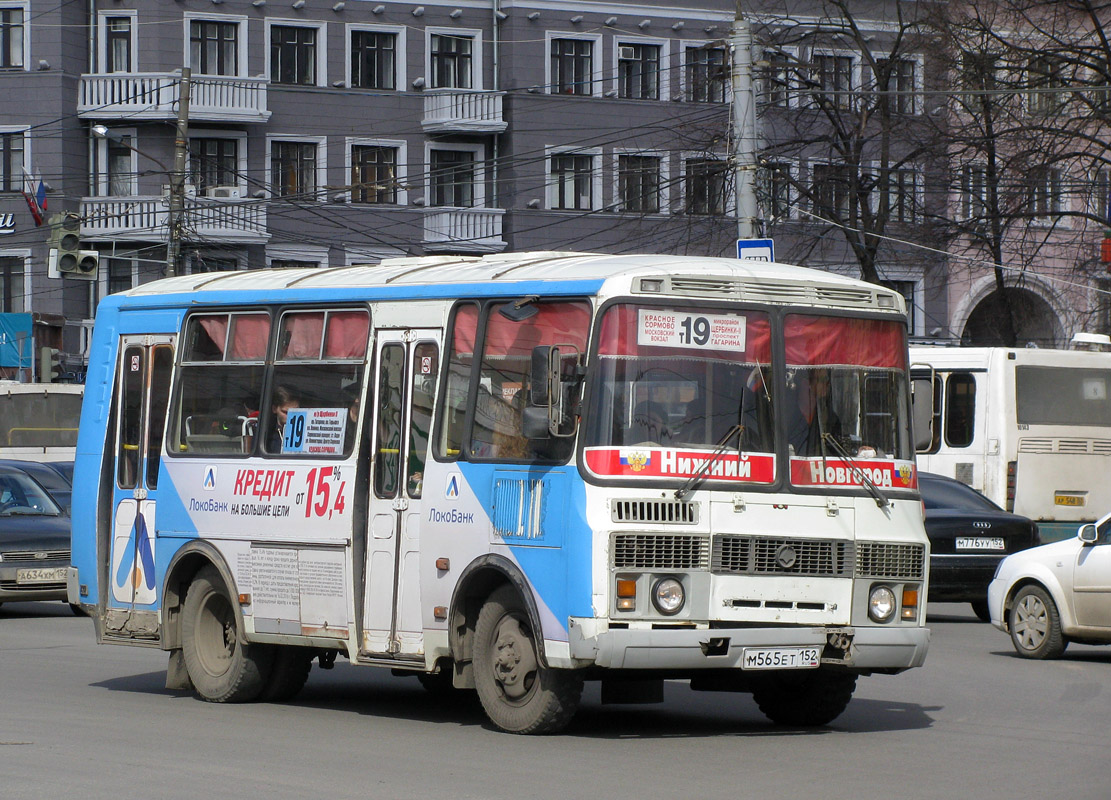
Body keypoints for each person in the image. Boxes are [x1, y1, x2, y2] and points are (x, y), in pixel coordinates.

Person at [786, 368, 841, 456]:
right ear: (806, 383)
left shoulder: (832, 420)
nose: (826, 385)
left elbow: (837, 454)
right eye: (822, 380)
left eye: (827, 381)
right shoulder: (786, 416)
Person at [267, 385, 300, 452]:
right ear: (274, 409)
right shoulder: (267, 432)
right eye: (285, 412)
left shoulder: (305, 430)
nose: (291, 417)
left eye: (295, 412)